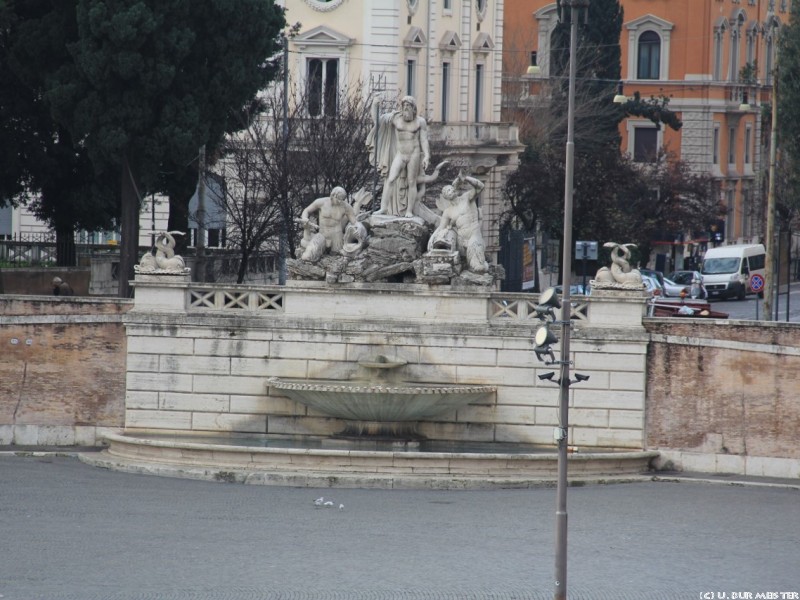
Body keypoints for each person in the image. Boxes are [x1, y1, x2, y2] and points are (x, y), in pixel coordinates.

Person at [367, 96, 430, 218]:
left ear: (413, 108)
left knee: (411, 182)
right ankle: (384, 208)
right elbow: (377, 121)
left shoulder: (420, 121)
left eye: (408, 106)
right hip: (400, 154)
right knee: (391, 179)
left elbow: (424, 140)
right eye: (404, 105)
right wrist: (375, 104)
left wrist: (427, 156)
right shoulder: (395, 118)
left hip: (414, 154)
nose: (405, 108)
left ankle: (409, 210)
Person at [427, 171, 488, 273]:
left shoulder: (466, 197)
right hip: (461, 240)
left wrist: (465, 178)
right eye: (447, 191)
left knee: (477, 268)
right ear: (446, 197)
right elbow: (441, 227)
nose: (450, 191)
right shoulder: (448, 211)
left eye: (450, 189)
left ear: (455, 190)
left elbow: (481, 186)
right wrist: (431, 239)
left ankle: (483, 265)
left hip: (474, 234)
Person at [299, 187, 358, 256]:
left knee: (338, 257)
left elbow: (355, 223)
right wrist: (305, 218)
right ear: (333, 195)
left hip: (337, 236)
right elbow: (306, 210)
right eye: (338, 199)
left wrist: (356, 231)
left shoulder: (346, 207)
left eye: (342, 199)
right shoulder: (321, 202)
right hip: (322, 234)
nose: (340, 201)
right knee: (309, 255)